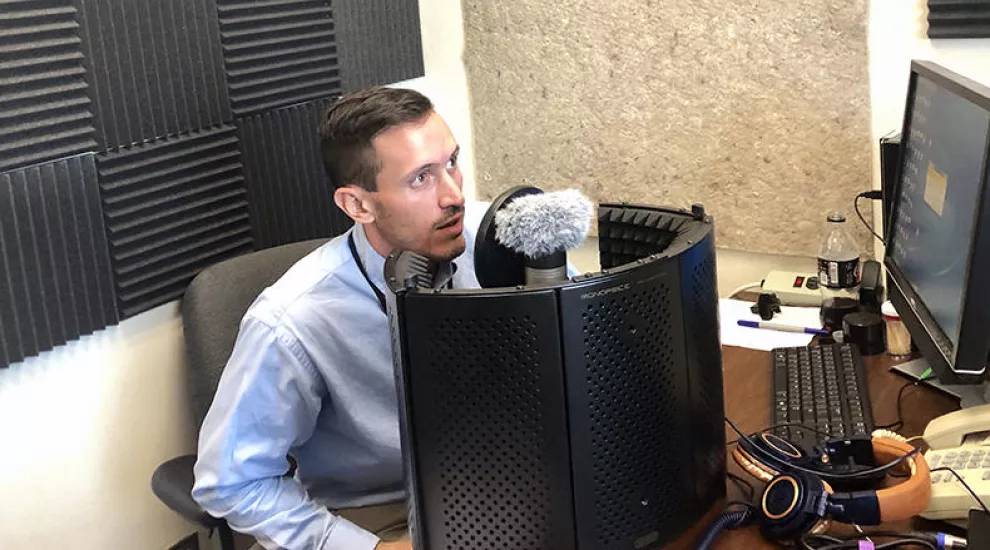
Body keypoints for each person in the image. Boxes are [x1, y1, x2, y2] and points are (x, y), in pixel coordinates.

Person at [192, 86, 486, 550]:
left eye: (451, 162)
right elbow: (230, 482)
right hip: (380, 514)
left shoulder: (495, 243)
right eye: (421, 179)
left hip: (497, 488)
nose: (454, 195)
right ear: (358, 205)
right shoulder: (290, 322)